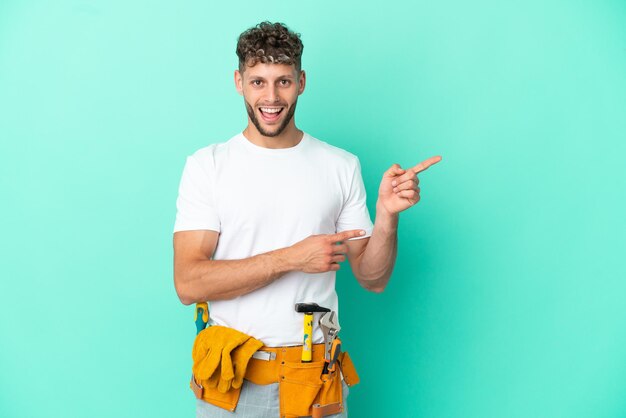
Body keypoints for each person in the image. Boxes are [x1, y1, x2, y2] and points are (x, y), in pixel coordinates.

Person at [173, 21, 441, 418]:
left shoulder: (340, 165)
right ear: (239, 82)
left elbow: (373, 278)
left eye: (283, 81)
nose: (270, 96)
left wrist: (386, 217)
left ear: (301, 81)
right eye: (258, 81)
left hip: (314, 382)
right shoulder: (208, 166)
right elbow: (188, 283)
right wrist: (292, 258)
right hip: (232, 382)